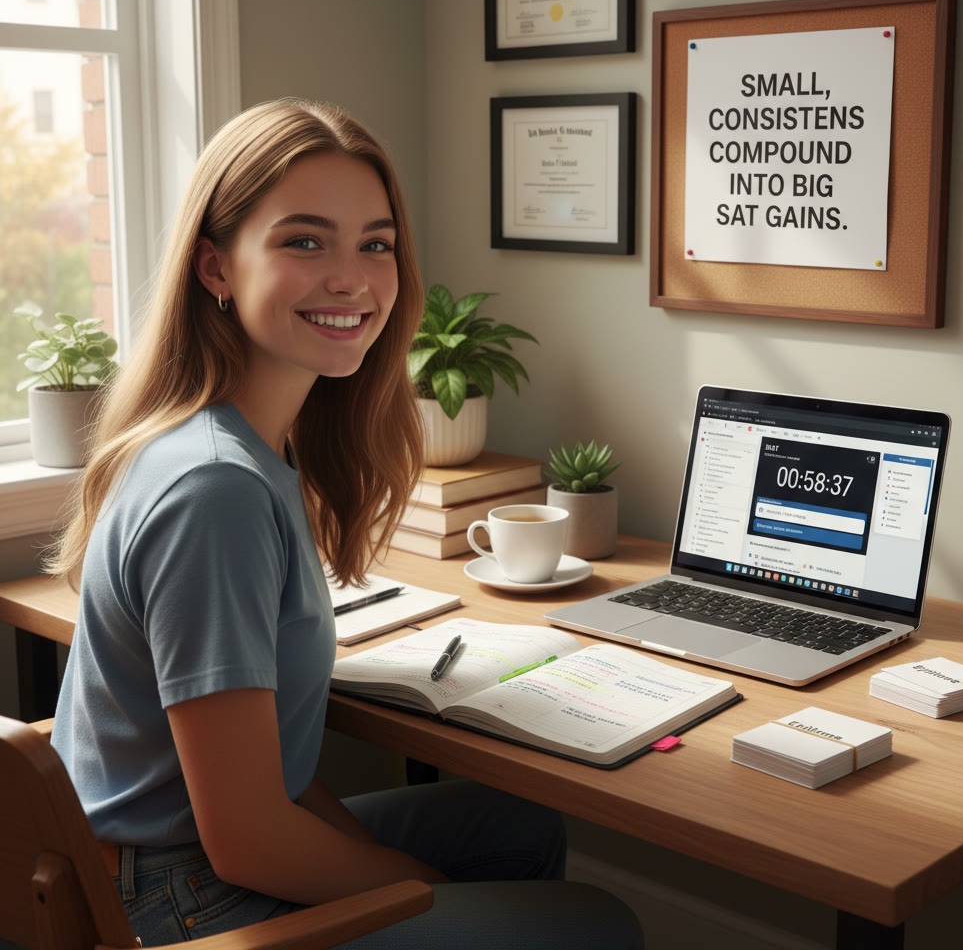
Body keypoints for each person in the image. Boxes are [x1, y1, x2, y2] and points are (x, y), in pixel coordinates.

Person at [46, 98, 644, 948]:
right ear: (216, 268)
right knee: (592, 924)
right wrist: (421, 892)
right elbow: (248, 838)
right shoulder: (215, 491)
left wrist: (379, 863)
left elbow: (270, 782)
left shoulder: (235, 445)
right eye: (303, 240)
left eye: (375, 243)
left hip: (179, 857)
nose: (352, 278)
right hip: (175, 898)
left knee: (521, 828)